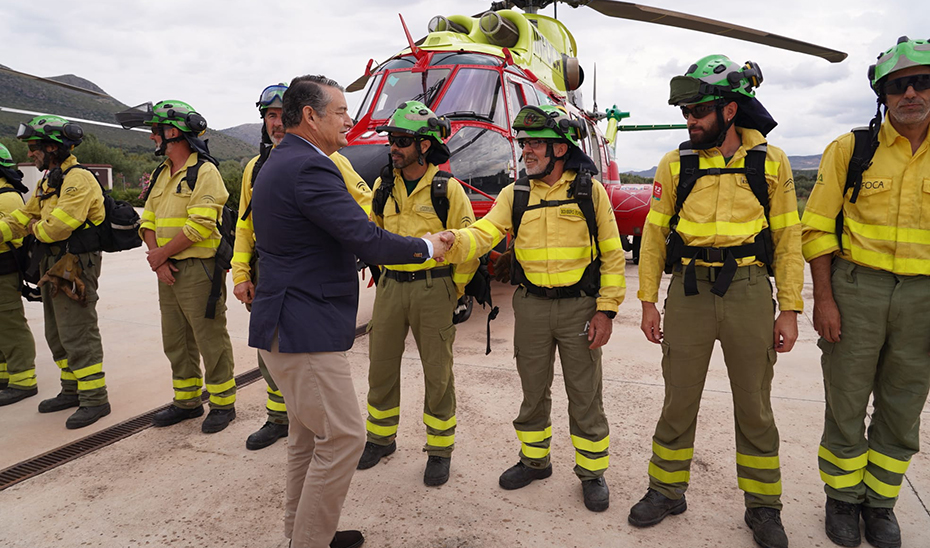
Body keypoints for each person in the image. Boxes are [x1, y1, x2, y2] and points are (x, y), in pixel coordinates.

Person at [248, 74, 450, 548]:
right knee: (343, 440)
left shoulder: (281, 161)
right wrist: (427, 246)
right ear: (311, 116)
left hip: (286, 324)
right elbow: (363, 238)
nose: (350, 119)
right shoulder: (312, 168)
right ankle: (310, 541)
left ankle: (303, 534)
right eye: (340, 111)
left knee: (305, 440)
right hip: (304, 330)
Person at [631, 55, 803, 548]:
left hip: (749, 289)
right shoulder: (675, 162)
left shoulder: (771, 161)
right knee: (678, 399)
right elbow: (654, 236)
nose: (690, 121)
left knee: (754, 404)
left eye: (698, 111)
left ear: (730, 110)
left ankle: (764, 507)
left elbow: (789, 238)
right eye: (686, 112)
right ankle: (666, 490)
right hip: (687, 291)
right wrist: (648, 301)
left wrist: (788, 308)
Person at [439, 104, 626, 512]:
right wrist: (455, 242)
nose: (527, 151)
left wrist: (606, 311)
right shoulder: (515, 193)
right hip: (532, 308)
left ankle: (591, 473)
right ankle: (534, 461)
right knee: (532, 392)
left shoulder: (588, 192)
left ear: (561, 149)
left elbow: (612, 256)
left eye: (536, 143)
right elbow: (485, 233)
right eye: (524, 143)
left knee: (585, 394)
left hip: (580, 308)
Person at [801, 36, 930, 548]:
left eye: (922, 81)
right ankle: (841, 498)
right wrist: (825, 300)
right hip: (858, 290)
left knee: (903, 406)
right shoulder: (851, 150)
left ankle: (880, 505)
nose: (912, 93)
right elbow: (817, 229)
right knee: (846, 402)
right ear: (883, 95)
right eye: (899, 86)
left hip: (922, 298)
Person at [232, 84, 373, 451]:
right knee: (281, 368)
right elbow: (244, 225)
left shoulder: (331, 162)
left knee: (299, 371)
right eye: (270, 116)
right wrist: (241, 272)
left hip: (304, 283)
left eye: (281, 115)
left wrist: (352, 238)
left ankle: (295, 422)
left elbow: (366, 209)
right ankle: (280, 418)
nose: (276, 123)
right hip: (272, 276)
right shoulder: (256, 168)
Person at [357, 100, 478, 486]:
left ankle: (439, 450)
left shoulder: (449, 190)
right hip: (391, 286)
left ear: (424, 145)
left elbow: (469, 243)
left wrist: (453, 288)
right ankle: (380, 437)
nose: (393, 146)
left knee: (438, 373)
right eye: (392, 139)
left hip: (434, 288)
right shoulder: (383, 185)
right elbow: (371, 234)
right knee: (381, 366)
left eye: (403, 140)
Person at [116, 100, 237, 434]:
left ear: (174, 132)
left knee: (209, 337)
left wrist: (161, 256)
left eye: (157, 131)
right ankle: (186, 402)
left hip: (199, 269)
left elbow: (200, 226)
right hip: (168, 268)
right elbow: (149, 218)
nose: (154, 138)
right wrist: (158, 259)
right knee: (176, 338)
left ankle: (223, 404)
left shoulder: (205, 173)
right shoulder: (162, 173)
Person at [0, 116, 112, 428]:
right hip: (53, 264)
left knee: (78, 331)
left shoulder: (78, 179)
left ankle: (95, 399)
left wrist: (33, 228)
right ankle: (72, 390)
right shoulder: (49, 181)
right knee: (57, 332)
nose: (31, 154)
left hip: (75, 264)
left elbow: (56, 228)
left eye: (35, 148)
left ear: (53, 148)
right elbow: (23, 216)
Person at [0, 143, 38, 407]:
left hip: (4, 269)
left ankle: (23, 381)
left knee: (10, 324)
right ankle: (5, 375)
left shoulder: (7, 197)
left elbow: (10, 231)